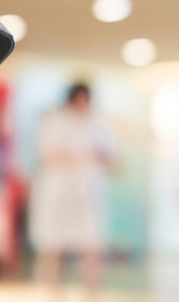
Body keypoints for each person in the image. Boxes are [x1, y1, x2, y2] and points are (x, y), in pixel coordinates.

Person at [28, 83, 115, 302]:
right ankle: (54, 294)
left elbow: (112, 159)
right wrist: (83, 155)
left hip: (88, 192)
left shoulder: (99, 125)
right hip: (59, 192)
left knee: (92, 244)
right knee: (53, 244)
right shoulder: (56, 122)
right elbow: (48, 154)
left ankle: (92, 294)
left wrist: (96, 158)